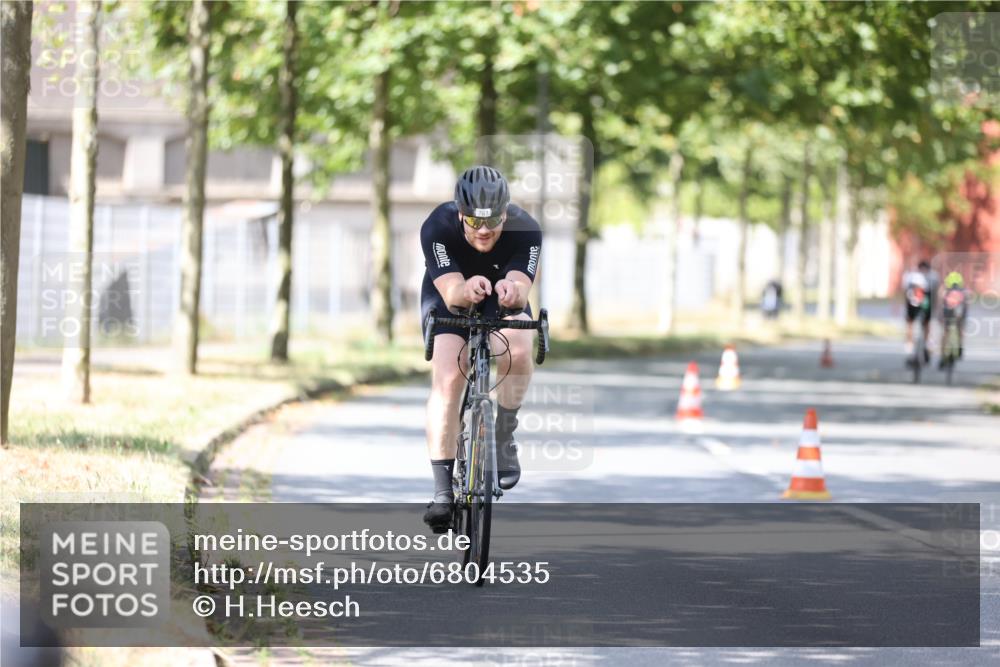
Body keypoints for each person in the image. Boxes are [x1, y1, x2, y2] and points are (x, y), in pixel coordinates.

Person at [419, 166, 542, 531]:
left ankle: (503, 433)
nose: (485, 230)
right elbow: (452, 290)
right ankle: (443, 492)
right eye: (474, 221)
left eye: (494, 220)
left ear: (506, 211)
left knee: (519, 350)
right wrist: (464, 287)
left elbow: (521, 285)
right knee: (448, 379)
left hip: (501, 299)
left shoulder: (527, 228)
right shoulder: (437, 226)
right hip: (450, 296)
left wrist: (512, 291)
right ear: (460, 213)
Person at [901, 259, 938, 364]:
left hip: (914, 299)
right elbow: (935, 293)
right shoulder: (933, 277)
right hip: (924, 299)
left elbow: (906, 292)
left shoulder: (911, 276)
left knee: (911, 324)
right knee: (924, 324)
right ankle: (925, 346)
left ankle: (910, 349)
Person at [939, 271, 968, 367]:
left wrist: (940, 316)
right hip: (960, 313)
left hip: (948, 313)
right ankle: (960, 347)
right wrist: (964, 317)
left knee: (945, 334)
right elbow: (966, 305)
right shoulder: (963, 291)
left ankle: (943, 357)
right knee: (960, 330)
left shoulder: (945, 290)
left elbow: (941, 305)